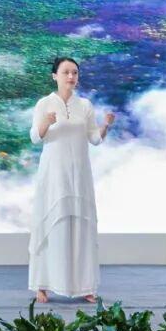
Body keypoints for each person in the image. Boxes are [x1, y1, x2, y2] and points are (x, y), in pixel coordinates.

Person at [28, 56, 114, 303]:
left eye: (74, 72)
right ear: (54, 76)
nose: (71, 77)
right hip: (54, 174)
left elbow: (94, 139)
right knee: (51, 224)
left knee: (81, 227)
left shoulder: (85, 105)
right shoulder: (44, 103)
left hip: (80, 174)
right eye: (66, 72)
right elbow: (35, 137)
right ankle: (42, 285)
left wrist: (106, 126)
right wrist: (46, 121)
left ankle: (85, 286)